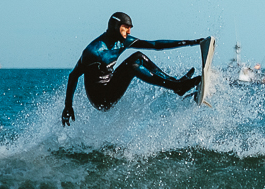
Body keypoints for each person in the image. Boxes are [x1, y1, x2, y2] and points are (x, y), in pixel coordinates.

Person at [61, 12, 205, 126]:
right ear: (116, 26)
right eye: (126, 28)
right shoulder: (94, 51)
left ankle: (175, 84)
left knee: (138, 56)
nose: (129, 32)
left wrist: (193, 42)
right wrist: (68, 106)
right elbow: (73, 76)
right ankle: (176, 86)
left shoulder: (122, 42)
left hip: (111, 85)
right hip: (101, 99)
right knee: (133, 66)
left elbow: (155, 45)